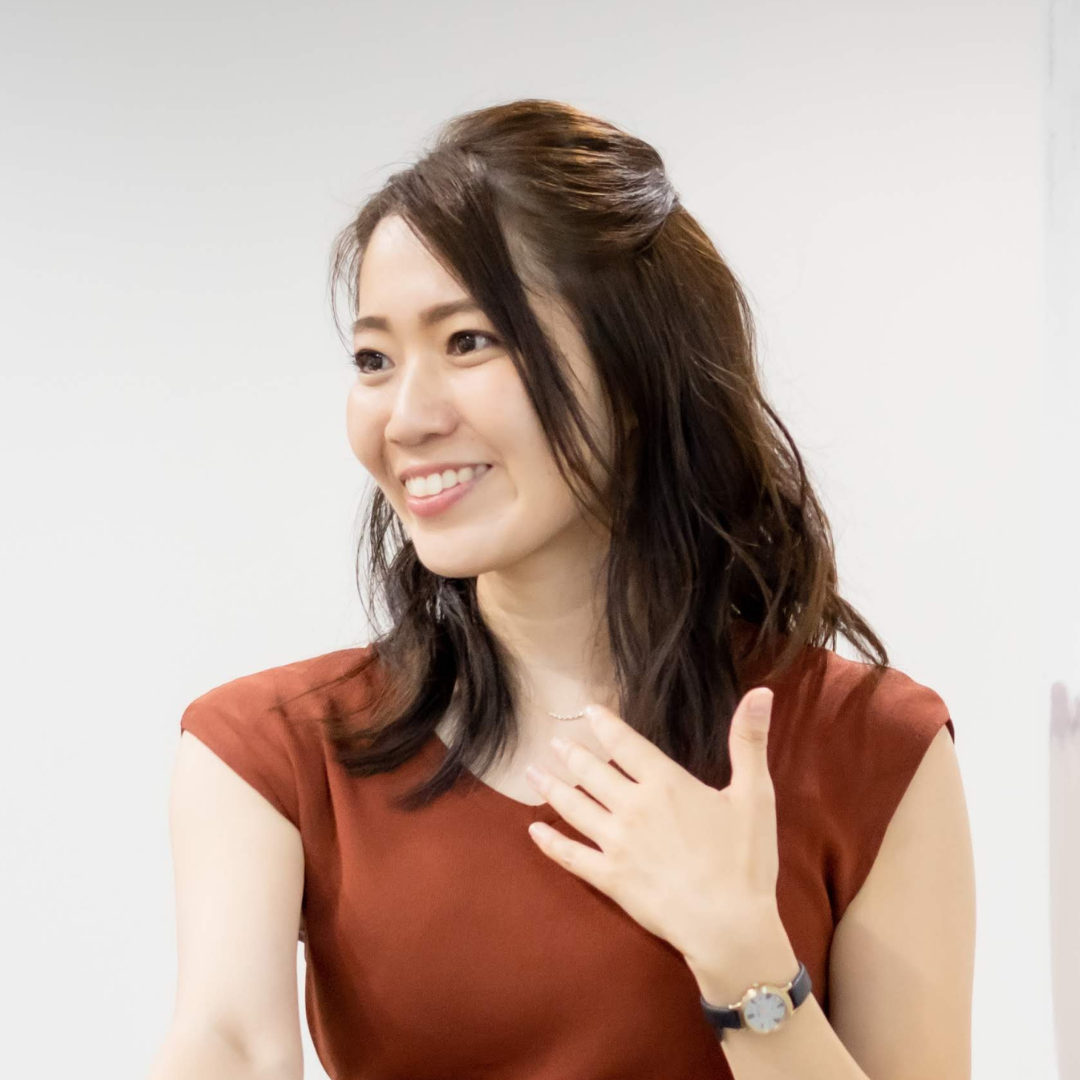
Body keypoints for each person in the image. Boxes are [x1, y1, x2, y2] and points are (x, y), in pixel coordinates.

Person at [155, 99, 975, 1080]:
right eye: (374, 359)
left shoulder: (875, 749)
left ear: (636, 369)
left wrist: (741, 954)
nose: (406, 418)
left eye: (469, 341)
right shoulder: (271, 752)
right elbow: (231, 1046)